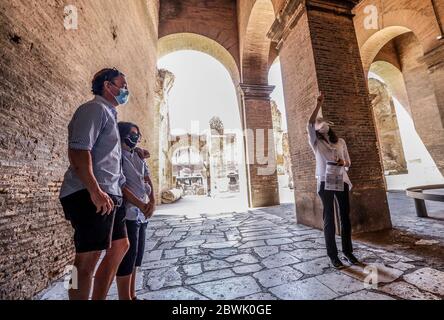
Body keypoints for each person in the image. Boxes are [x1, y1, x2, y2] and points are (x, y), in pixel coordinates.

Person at [59, 68, 132, 300]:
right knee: (84, 261)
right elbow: (79, 150)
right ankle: (71, 293)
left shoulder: (109, 114)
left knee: (121, 246)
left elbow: (107, 154)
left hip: (110, 194)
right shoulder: (93, 109)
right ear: (108, 86)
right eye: (122, 85)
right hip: (87, 193)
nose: (125, 90)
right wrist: (94, 190)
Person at [307, 91, 360, 269]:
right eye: (318, 124)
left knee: (345, 217)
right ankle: (333, 255)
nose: (321, 126)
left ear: (329, 126)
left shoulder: (340, 142)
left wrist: (342, 162)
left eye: (323, 124)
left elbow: (349, 162)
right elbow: (309, 123)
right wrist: (318, 104)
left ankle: (348, 251)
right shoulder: (316, 142)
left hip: (341, 180)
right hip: (324, 181)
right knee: (329, 218)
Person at [116, 122, 155, 300]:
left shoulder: (138, 155)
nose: (136, 138)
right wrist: (140, 204)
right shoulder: (117, 157)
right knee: (128, 257)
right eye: (133, 134)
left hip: (143, 213)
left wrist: (152, 201)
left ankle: (133, 295)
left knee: (137, 256)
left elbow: (147, 178)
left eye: (137, 135)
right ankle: (125, 297)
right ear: (122, 135)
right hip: (130, 212)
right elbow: (122, 187)